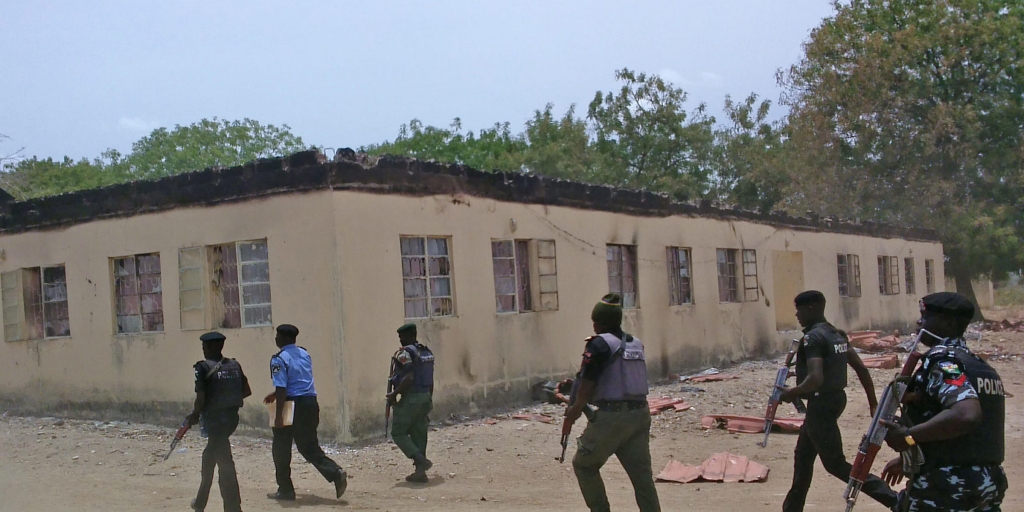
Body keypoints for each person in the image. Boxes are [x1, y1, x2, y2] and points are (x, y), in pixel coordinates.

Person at [879, 292, 1007, 511]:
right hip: (985, 484)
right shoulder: (980, 366)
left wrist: (907, 437)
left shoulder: (943, 361)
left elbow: (966, 415)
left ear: (948, 323)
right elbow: (964, 437)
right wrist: (908, 460)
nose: (920, 322)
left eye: (926, 317)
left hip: (948, 487)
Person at [777, 290, 897, 512]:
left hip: (821, 404)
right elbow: (861, 368)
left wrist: (790, 393)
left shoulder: (813, 338)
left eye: (800, 310)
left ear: (811, 309)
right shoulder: (836, 334)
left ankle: (893, 499)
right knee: (802, 458)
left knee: (835, 464)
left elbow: (815, 378)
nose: (797, 315)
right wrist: (872, 403)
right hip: (834, 400)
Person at [564, 293, 661, 512]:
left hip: (612, 417)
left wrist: (575, 410)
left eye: (595, 321)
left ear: (602, 321)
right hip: (640, 414)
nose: (594, 325)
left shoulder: (599, 344)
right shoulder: (635, 343)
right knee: (642, 476)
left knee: (584, 465)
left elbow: (588, 382)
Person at [264, 324, 348, 500]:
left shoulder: (278, 359)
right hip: (310, 402)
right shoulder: (304, 354)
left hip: (292, 405)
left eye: (277, 336)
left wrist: (278, 416)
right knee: (308, 446)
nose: (276, 339)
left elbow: (282, 388)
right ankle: (335, 472)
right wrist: (275, 394)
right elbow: (299, 380)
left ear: (283, 339)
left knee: (280, 447)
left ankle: (285, 489)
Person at [187, 332, 251, 512]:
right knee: (211, 457)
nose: (203, 350)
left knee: (224, 464)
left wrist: (194, 415)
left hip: (214, 420)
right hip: (231, 419)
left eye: (204, 347)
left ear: (210, 347)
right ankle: (201, 502)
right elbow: (246, 391)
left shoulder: (202, 368)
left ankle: (231, 508)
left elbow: (201, 399)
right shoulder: (234, 365)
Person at [386, 323, 435, 483]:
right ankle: (420, 472)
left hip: (412, 397)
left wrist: (394, 393)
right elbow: (430, 380)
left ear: (408, 336)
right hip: (425, 396)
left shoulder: (405, 354)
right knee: (418, 432)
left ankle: (420, 461)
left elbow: (409, 377)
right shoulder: (426, 352)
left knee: (398, 432)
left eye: (401, 337)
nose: (400, 341)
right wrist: (428, 399)